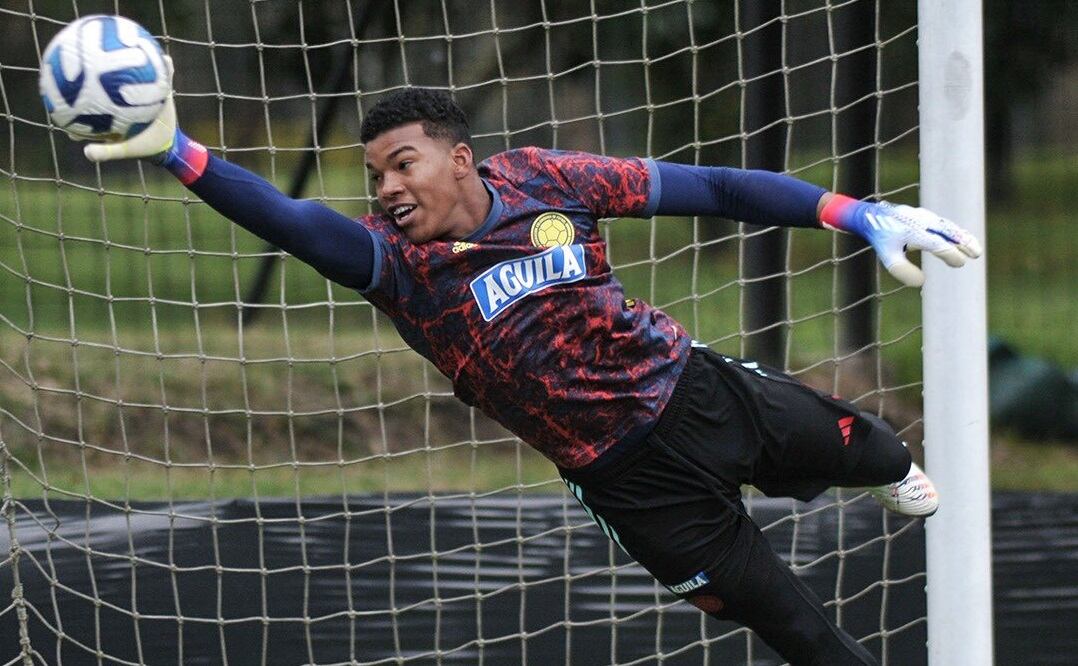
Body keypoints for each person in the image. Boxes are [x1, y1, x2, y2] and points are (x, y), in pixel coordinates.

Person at [81, 58, 981, 665]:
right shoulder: (391, 263)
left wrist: (852, 212)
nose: (388, 189)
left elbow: (711, 188)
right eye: (375, 178)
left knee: (872, 452)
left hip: (693, 388)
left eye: (403, 165)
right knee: (782, 626)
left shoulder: (547, 180)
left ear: (461, 158)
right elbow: (290, 220)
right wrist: (180, 153)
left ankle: (876, 464)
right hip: (621, 475)